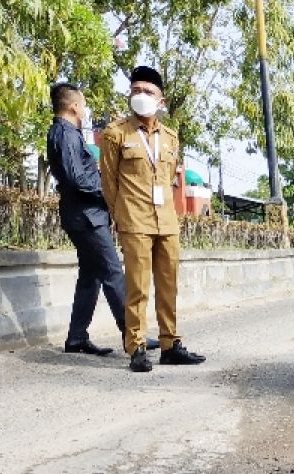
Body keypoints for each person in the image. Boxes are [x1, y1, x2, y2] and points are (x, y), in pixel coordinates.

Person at [100, 66, 206, 373]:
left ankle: (170, 344)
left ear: (161, 100)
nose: (141, 96)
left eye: (148, 92)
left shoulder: (171, 137)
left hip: (167, 221)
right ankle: (136, 346)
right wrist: (120, 215)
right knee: (138, 286)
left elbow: (170, 178)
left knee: (169, 284)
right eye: (136, 91)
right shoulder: (116, 133)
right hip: (134, 220)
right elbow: (109, 183)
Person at [47, 82, 155, 357]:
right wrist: (108, 189)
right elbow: (75, 177)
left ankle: (76, 338)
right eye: (82, 104)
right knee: (112, 272)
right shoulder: (64, 133)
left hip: (85, 215)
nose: (85, 109)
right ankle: (134, 337)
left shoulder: (67, 133)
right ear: (73, 106)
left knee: (90, 276)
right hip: (85, 217)